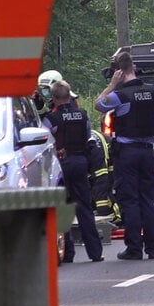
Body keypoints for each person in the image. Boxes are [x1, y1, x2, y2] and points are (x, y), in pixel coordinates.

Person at [95, 52, 154, 260]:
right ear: (135, 66)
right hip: (147, 151)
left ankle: (134, 248)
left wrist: (112, 85)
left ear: (117, 72)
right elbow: (153, 110)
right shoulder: (153, 92)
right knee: (147, 200)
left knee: (130, 200)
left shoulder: (120, 96)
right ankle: (153, 248)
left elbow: (99, 105)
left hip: (128, 153)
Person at [43, 81, 104, 262]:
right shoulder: (82, 115)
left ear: (53, 98)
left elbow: (45, 142)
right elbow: (88, 137)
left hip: (60, 165)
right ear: (70, 95)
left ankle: (67, 253)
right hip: (80, 162)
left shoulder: (51, 119)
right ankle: (95, 252)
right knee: (84, 207)